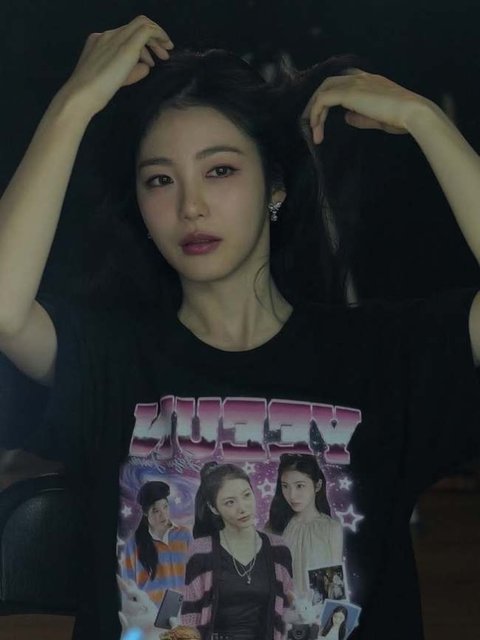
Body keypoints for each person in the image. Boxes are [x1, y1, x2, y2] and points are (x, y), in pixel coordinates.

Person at [0, 12, 479, 640]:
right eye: (160, 180)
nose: (190, 205)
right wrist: (74, 104)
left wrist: (428, 122)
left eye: (220, 170)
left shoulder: (379, 354)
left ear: (275, 184)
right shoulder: (110, 355)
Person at [181, 462, 293, 640]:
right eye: (230, 502)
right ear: (213, 508)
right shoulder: (201, 551)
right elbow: (190, 617)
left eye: (246, 495)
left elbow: (286, 613)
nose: (242, 508)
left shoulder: (279, 549)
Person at [267, 453, 343, 596]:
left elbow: (333, 586)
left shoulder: (331, 528)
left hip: (317, 608)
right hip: (281, 606)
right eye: (285, 486)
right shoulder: (275, 526)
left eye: (299, 486)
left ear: (317, 485)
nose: (292, 495)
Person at [119, 480, 192, 605]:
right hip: (150, 612)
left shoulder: (184, 535)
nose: (163, 515)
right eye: (156, 510)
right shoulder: (133, 544)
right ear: (145, 513)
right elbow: (128, 588)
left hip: (183, 609)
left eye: (165, 507)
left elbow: (196, 575)